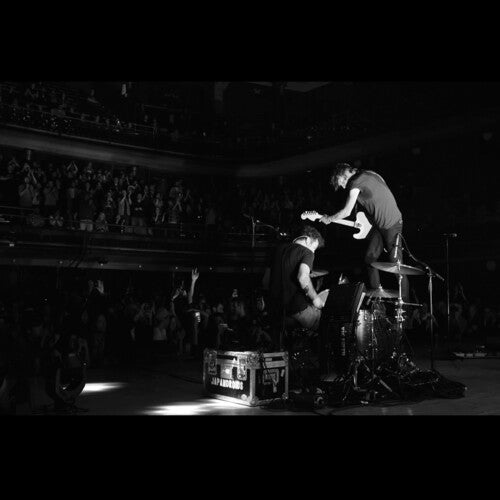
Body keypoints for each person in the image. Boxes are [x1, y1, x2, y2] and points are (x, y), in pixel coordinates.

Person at [320, 162, 408, 299]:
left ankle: (405, 308)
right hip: (379, 226)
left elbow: (346, 211)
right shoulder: (370, 173)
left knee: (397, 266)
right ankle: (377, 298)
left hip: (392, 225)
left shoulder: (354, 183)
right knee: (369, 259)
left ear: (344, 175)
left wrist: (330, 218)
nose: (343, 186)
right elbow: (380, 191)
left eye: (341, 182)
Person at [268, 225, 325, 335]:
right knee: (325, 322)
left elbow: (265, 281)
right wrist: (315, 299)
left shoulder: (277, 249)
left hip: (275, 311)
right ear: (308, 240)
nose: (313, 252)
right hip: (296, 309)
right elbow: (303, 278)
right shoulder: (307, 252)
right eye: (314, 248)